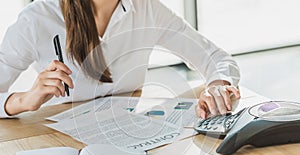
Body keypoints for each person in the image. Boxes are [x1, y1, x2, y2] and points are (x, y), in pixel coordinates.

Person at [0, 0, 240, 119]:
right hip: (55, 146)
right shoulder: (36, 19)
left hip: (128, 137)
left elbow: (216, 58)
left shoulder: (146, 8)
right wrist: (24, 101)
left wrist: (217, 85)